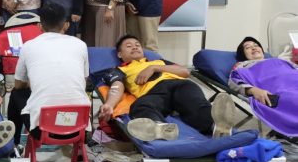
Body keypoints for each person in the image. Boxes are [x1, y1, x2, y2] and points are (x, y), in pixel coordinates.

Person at [98, 35, 236, 142]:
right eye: (128, 46)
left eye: (137, 45)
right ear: (119, 54)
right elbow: (117, 86)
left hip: (180, 85)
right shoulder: (118, 70)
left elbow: (185, 72)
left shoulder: (158, 62)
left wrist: (154, 68)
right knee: (140, 106)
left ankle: (216, 126)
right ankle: (159, 127)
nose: (134, 47)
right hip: (154, 93)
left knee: (195, 104)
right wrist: (109, 104)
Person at [7, 5, 90, 145]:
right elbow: (84, 80)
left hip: (42, 130)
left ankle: (13, 146)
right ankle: (81, 147)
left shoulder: (28, 46)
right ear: (66, 25)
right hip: (78, 127)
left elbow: (19, 85)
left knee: (16, 93)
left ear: (40, 26)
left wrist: (34, 84)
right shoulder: (80, 44)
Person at [229, 37, 298, 137]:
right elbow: (234, 81)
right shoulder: (242, 66)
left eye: (256, 45)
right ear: (243, 54)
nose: (254, 48)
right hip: (282, 91)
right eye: (248, 47)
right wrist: (253, 90)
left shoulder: (279, 60)